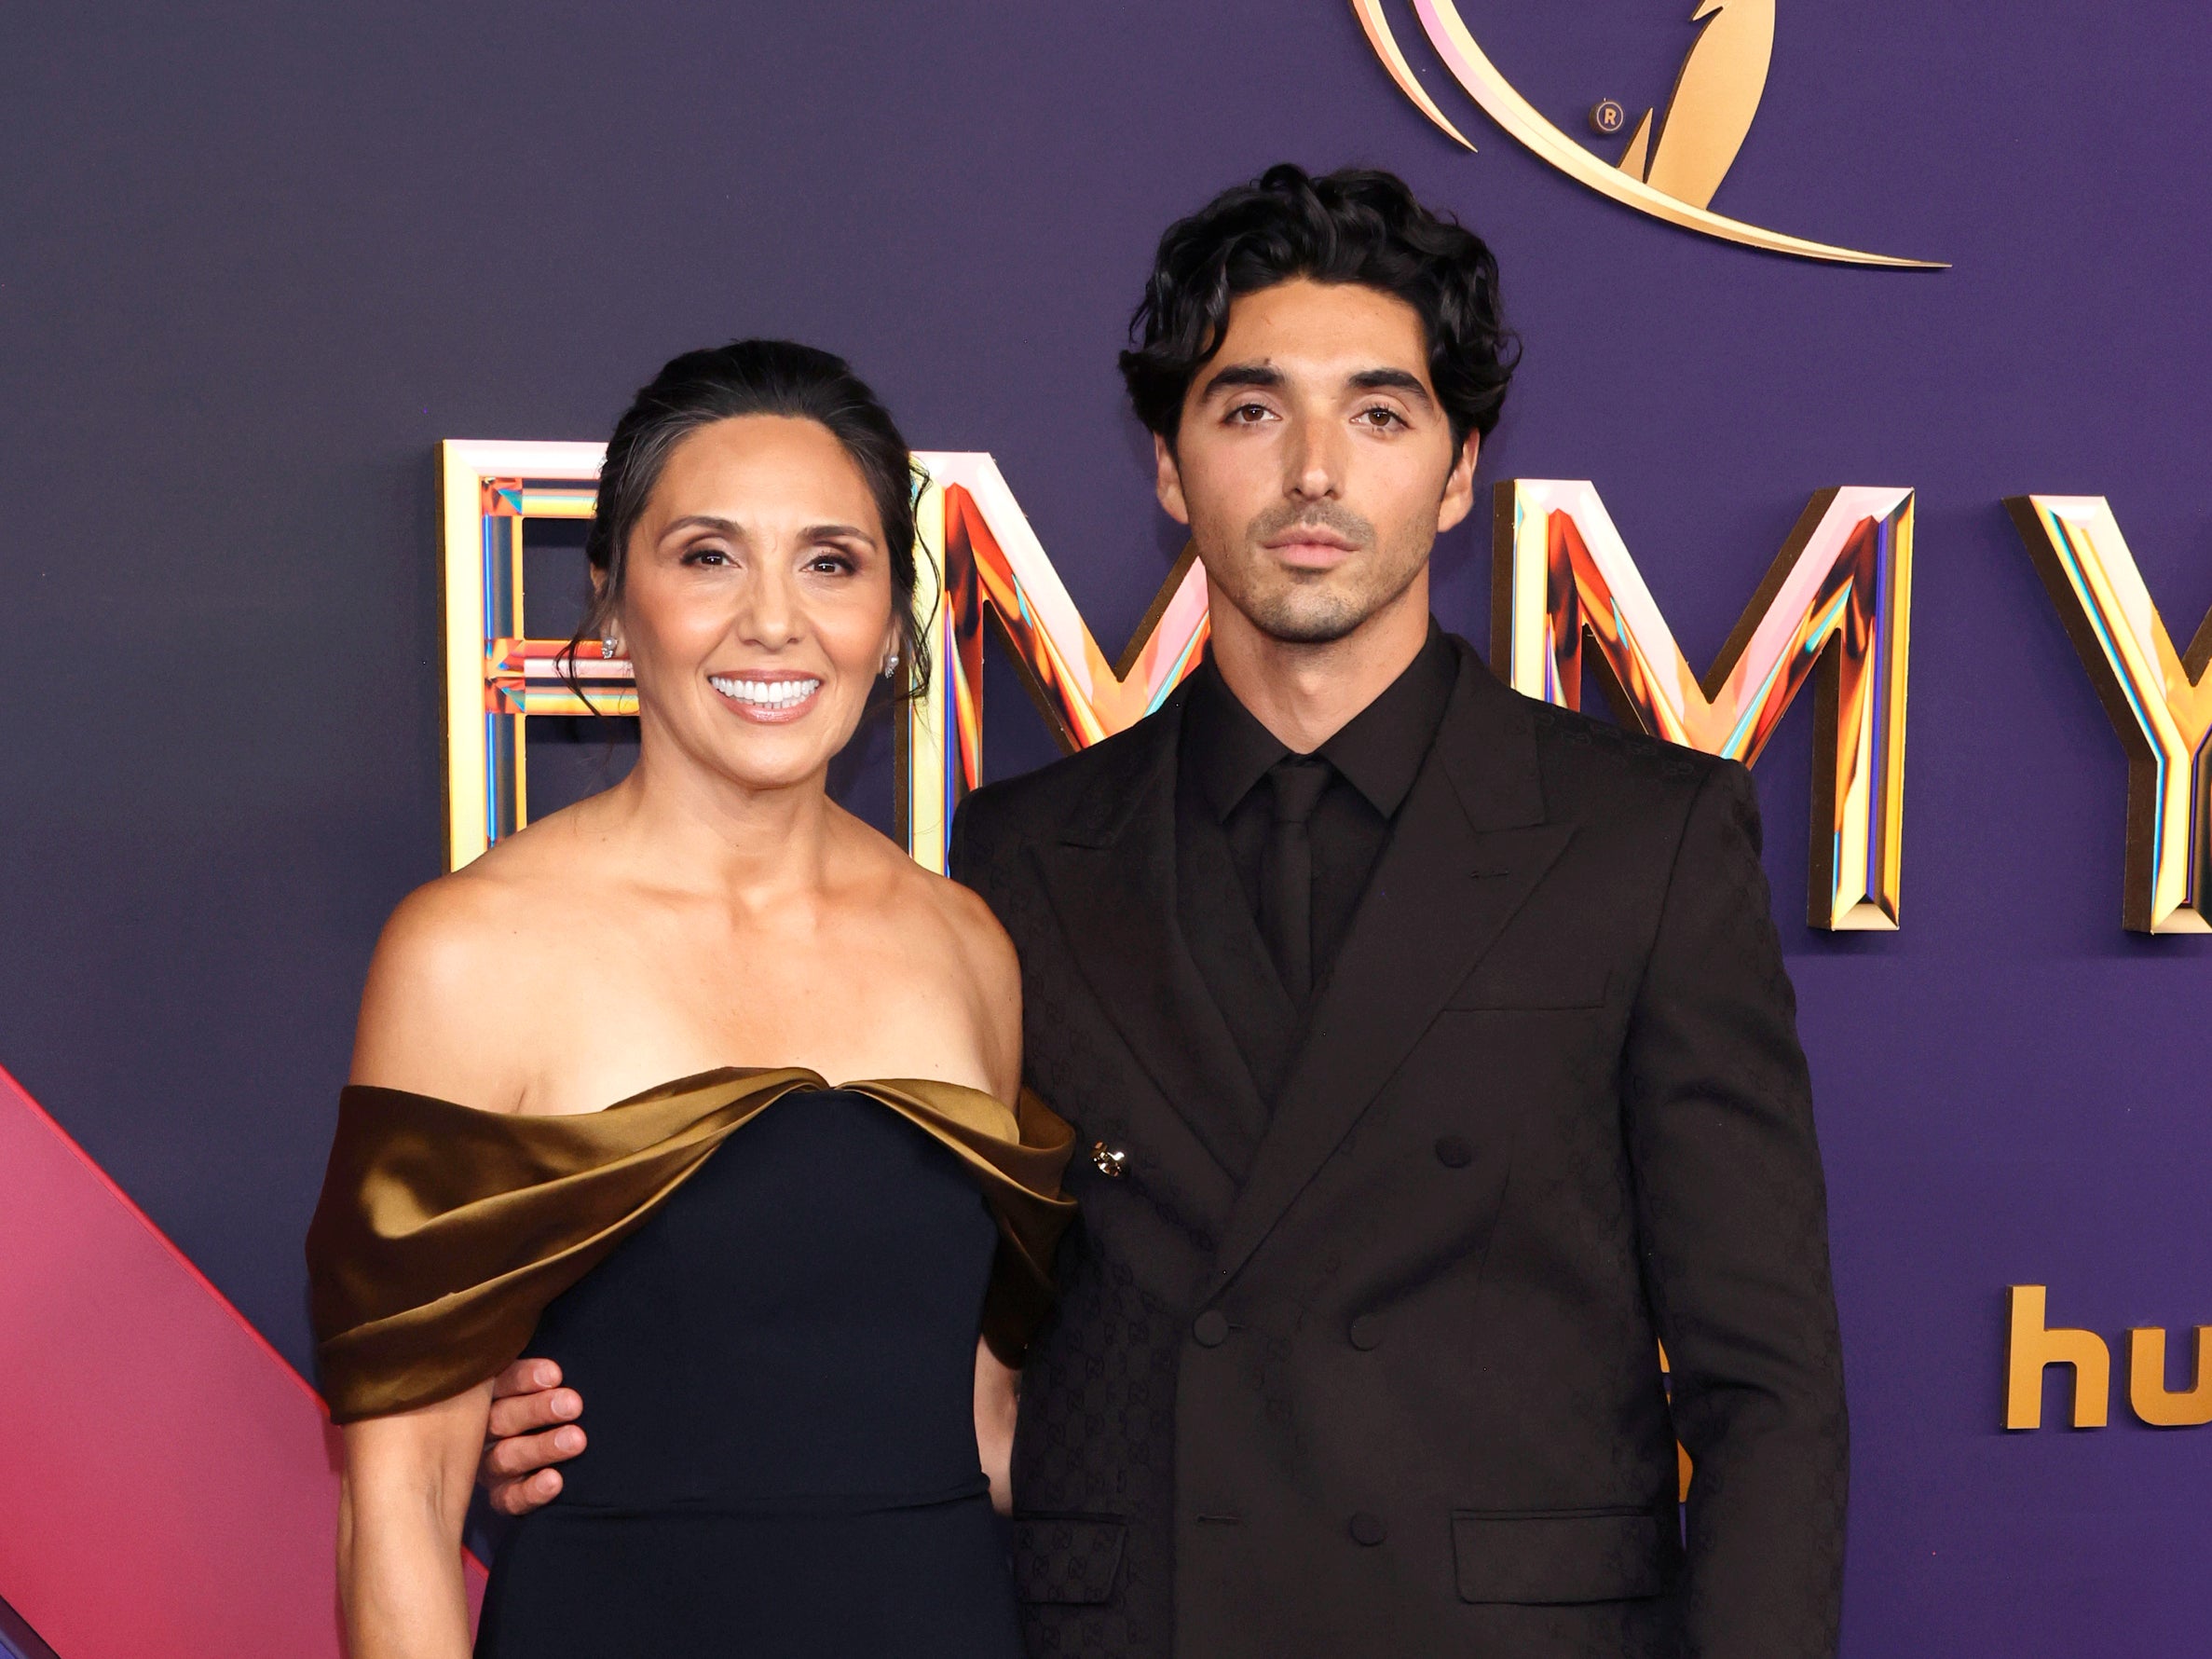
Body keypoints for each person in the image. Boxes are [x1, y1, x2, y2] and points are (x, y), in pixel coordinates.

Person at [484, 166, 1850, 1658]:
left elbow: (1765, 1387)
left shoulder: (1639, 837)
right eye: (1250, 410)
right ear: (1167, 461)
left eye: (1380, 413)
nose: (1314, 470)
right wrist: (613, 1406)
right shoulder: (1023, 855)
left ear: (1459, 473)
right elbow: (922, 1312)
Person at [306, 339, 1074, 1659]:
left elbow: (988, 1415)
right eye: (707, 555)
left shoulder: (968, 946)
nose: (772, 620)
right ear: (611, 600)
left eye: (831, 561)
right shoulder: (472, 952)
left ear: (892, 615)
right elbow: (403, 1502)